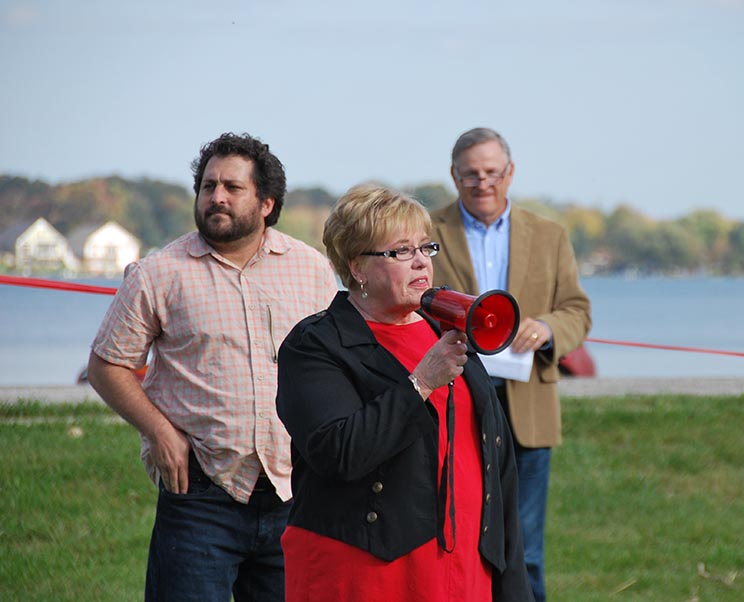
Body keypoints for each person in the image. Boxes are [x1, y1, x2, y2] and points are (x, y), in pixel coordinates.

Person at [87, 132, 338, 601]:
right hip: (200, 493)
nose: (216, 197)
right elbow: (107, 365)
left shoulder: (312, 269)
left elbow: (333, 363)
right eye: (207, 186)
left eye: (232, 187)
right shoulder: (158, 273)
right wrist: (160, 433)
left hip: (296, 493)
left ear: (266, 202)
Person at [275, 184, 534, 602]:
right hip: (367, 573)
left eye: (425, 248)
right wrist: (421, 384)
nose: (420, 263)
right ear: (357, 266)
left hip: (466, 568)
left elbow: (495, 467)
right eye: (400, 251)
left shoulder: (443, 332)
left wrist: (511, 583)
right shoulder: (315, 344)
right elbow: (339, 452)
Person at [430, 127, 592, 602]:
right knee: (455, 541)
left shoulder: (549, 235)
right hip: (454, 401)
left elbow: (577, 311)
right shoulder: (427, 232)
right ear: (454, 176)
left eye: (492, 172)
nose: (483, 182)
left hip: (527, 409)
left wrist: (545, 329)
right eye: (471, 174)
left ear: (510, 173)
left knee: (526, 551)